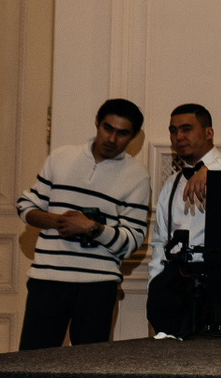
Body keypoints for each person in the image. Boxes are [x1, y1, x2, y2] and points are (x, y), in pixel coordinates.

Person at [16, 99, 150, 349]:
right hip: (47, 279)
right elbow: (25, 205)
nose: (112, 139)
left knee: (89, 367)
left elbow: (132, 241)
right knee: (32, 362)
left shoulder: (137, 176)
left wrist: (92, 228)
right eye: (107, 128)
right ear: (97, 122)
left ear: (134, 136)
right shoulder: (61, 157)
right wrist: (56, 221)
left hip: (98, 286)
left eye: (122, 133)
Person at [146, 103, 221, 338]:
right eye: (173, 131)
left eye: (186, 129)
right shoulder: (171, 183)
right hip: (176, 284)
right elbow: (161, 241)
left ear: (209, 132)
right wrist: (155, 287)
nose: (178, 137)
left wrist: (212, 169)